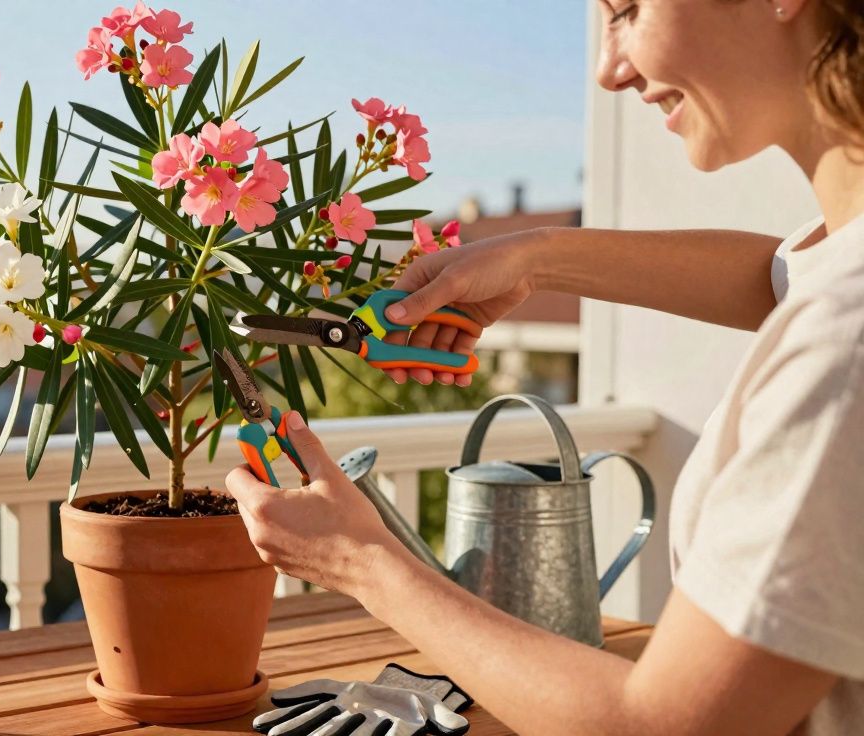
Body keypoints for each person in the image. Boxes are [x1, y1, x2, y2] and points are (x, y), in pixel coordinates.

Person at [225, 1, 864, 734]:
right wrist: (537, 256)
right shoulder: (842, 271)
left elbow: (656, 727)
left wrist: (361, 561)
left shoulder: (844, 346)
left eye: (627, 9)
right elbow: (783, 276)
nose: (609, 68)